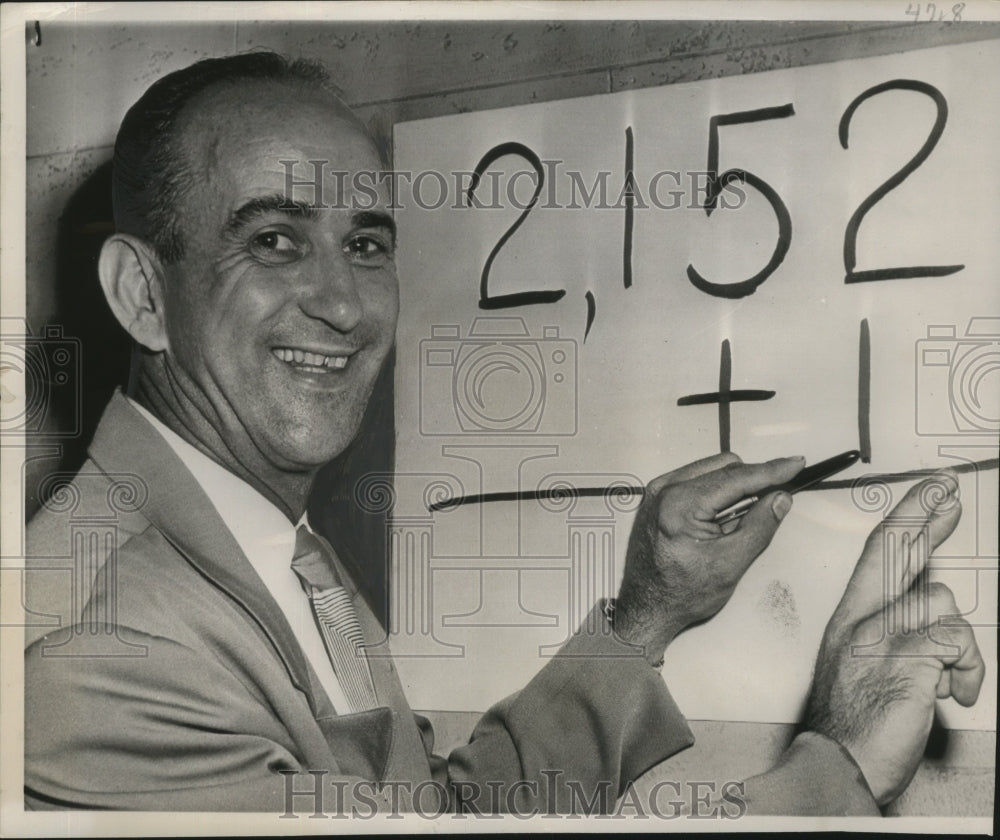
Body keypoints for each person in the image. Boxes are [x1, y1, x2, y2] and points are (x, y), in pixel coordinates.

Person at [23, 52, 983, 816]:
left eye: (366, 245)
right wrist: (842, 760)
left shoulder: (266, 545)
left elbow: (432, 814)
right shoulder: (95, 652)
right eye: (274, 241)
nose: (342, 305)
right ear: (142, 295)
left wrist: (648, 611)